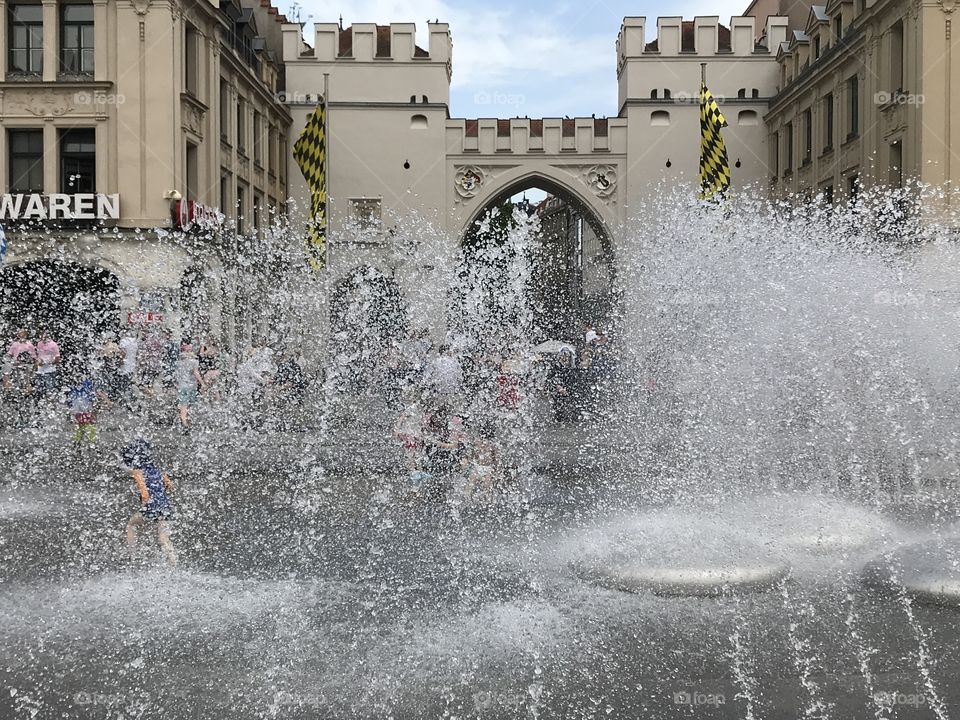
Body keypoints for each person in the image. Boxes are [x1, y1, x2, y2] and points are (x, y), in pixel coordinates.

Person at [122, 439, 177, 567]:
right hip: (165, 507)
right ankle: (173, 564)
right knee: (163, 538)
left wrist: (145, 506)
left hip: (151, 506)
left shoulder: (138, 472)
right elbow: (170, 486)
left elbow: (145, 494)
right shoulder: (159, 471)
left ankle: (132, 556)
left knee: (131, 525)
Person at [3, 328, 36, 425]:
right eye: (19, 334)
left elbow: (34, 358)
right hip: (16, 370)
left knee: (27, 394)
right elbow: (8, 356)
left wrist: (31, 376)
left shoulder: (30, 345)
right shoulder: (15, 344)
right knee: (16, 394)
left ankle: (27, 418)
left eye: (23, 334)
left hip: (26, 369)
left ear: (26, 335)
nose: (21, 335)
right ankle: (18, 417)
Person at [173, 343, 204, 430]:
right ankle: (185, 423)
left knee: (183, 405)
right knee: (188, 405)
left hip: (182, 386)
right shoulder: (194, 362)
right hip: (191, 387)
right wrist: (202, 383)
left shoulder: (178, 362)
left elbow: (176, 375)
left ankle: (184, 422)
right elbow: (196, 373)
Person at [67, 378, 99, 453]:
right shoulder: (73, 387)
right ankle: (78, 444)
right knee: (80, 428)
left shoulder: (86, 384)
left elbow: (92, 396)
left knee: (87, 427)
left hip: (85, 409)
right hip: (78, 410)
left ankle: (88, 444)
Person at [33, 329, 61, 402]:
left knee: (50, 389)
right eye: (42, 335)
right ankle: (39, 403)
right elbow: (38, 355)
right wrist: (38, 362)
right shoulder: (39, 344)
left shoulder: (53, 344)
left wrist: (48, 362)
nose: (43, 337)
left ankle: (50, 403)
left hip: (50, 370)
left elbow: (57, 358)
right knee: (39, 389)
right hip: (40, 370)